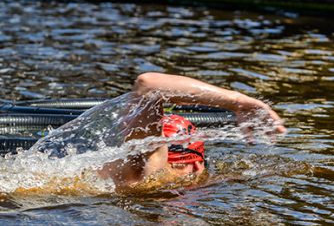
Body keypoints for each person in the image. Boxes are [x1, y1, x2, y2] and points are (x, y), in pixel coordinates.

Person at [36, 72, 285, 190]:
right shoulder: (147, 167)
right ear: (196, 163)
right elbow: (149, 84)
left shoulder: (119, 168)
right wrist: (238, 101)